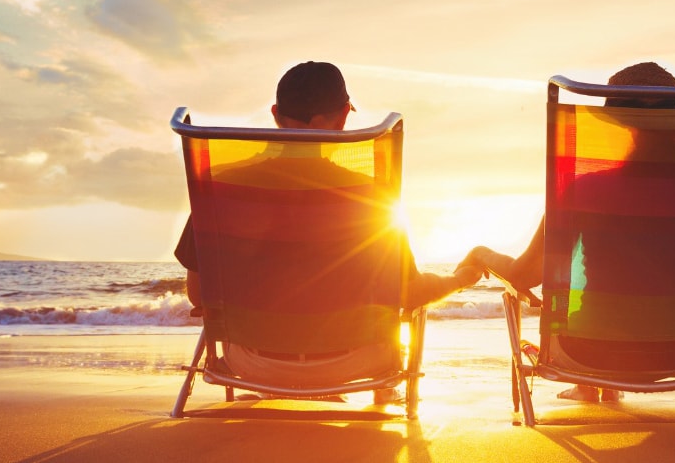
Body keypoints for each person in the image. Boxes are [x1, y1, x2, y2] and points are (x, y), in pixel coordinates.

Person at [175, 61, 485, 403]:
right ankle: (382, 394)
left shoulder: (222, 190)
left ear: (276, 114)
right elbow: (409, 295)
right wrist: (459, 279)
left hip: (250, 364)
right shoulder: (371, 198)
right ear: (342, 117)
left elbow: (199, 294)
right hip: (355, 364)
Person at [464, 62, 675, 403]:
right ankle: (597, 387)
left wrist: (481, 254)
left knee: (592, 313)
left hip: (589, 352)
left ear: (623, 128)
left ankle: (590, 384)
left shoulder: (586, 189)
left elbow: (525, 275)